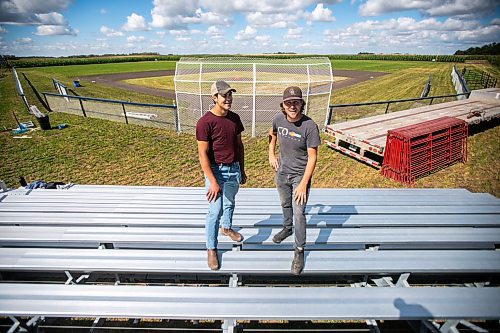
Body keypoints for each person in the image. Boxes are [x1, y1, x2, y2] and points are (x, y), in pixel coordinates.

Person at [268, 86, 320, 275]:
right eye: (289, 102)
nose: (292, 106)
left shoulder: (309, 126)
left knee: (299, 212)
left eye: (296, 102)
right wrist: (271, 154)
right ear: (283, 105)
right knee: (285, 204)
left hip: (300, 176)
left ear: (301, 104)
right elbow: (272, 134)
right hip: (281, 172)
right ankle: (287, 228)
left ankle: (299, 250)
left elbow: (313, 157)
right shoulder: (278, 119)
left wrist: (304, 184)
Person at [196, 80, 247, 270]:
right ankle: (211, 248)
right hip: (215, 171)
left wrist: (241, 169)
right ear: (214, 98)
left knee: (230, 203)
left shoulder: (235, 118)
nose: (228, 99)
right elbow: (202, 154)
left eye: (230, 95)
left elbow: (239, 146)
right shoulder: (204, 122)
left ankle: (226, 228)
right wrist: (212, 181)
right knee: (215, 211)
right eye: (224, 95)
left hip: (233, 168)